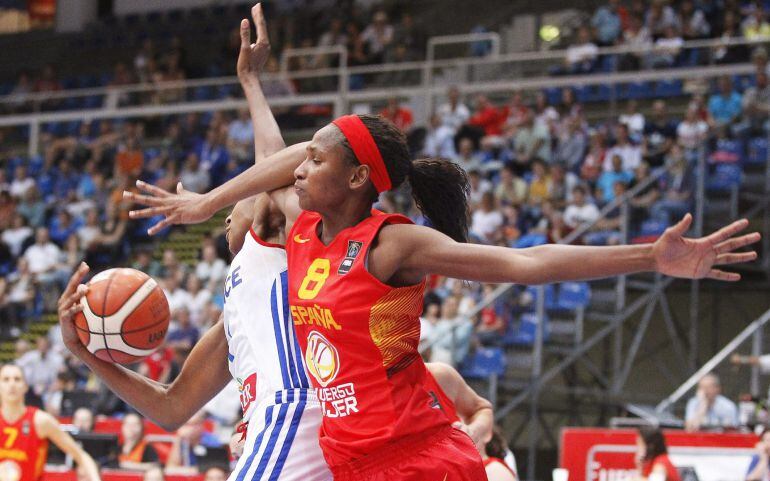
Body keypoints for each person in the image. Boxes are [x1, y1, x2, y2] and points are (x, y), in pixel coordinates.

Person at [127, 20, 757, 481]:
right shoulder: (299, 230)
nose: (298, 169)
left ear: (355, 180)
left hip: (416, 454)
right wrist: (250, 83)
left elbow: (525, 263)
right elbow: (277, 156)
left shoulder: (390, 242)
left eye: (316, 160)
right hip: (351, 461)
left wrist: (651, 256)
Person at [57, 8, 330, 481]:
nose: (228, 214)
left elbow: (285, 159)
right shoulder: (241, 308)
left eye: (236, 202)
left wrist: (250, 84)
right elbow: (171, 406)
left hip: (293, 411)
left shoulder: (281, 242)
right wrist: (83, 353)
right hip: (289, 424)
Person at [0, 364, 101, 481]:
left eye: (17, 379)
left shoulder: (40, 420)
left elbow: (81, 455)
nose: (12, 384)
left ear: (25, 386)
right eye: (6, 379)